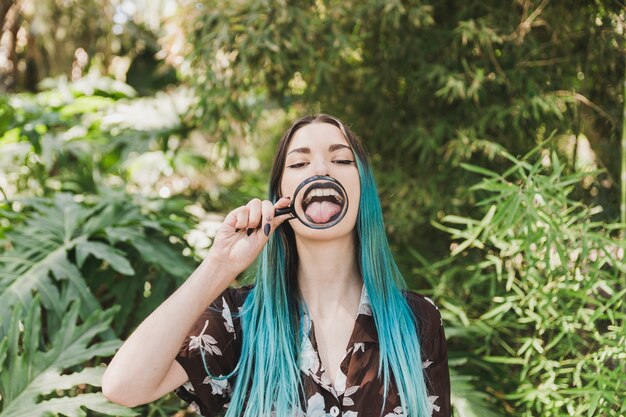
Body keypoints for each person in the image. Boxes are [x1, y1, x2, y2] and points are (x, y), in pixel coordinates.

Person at [102, 114, 451, 417]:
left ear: (362, 189)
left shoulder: (417, 319)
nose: (320, 169)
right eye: (299, 164)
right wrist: (219, 265)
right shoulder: (235, 321)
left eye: (341, 160)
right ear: (282, 197)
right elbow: (124, 386)